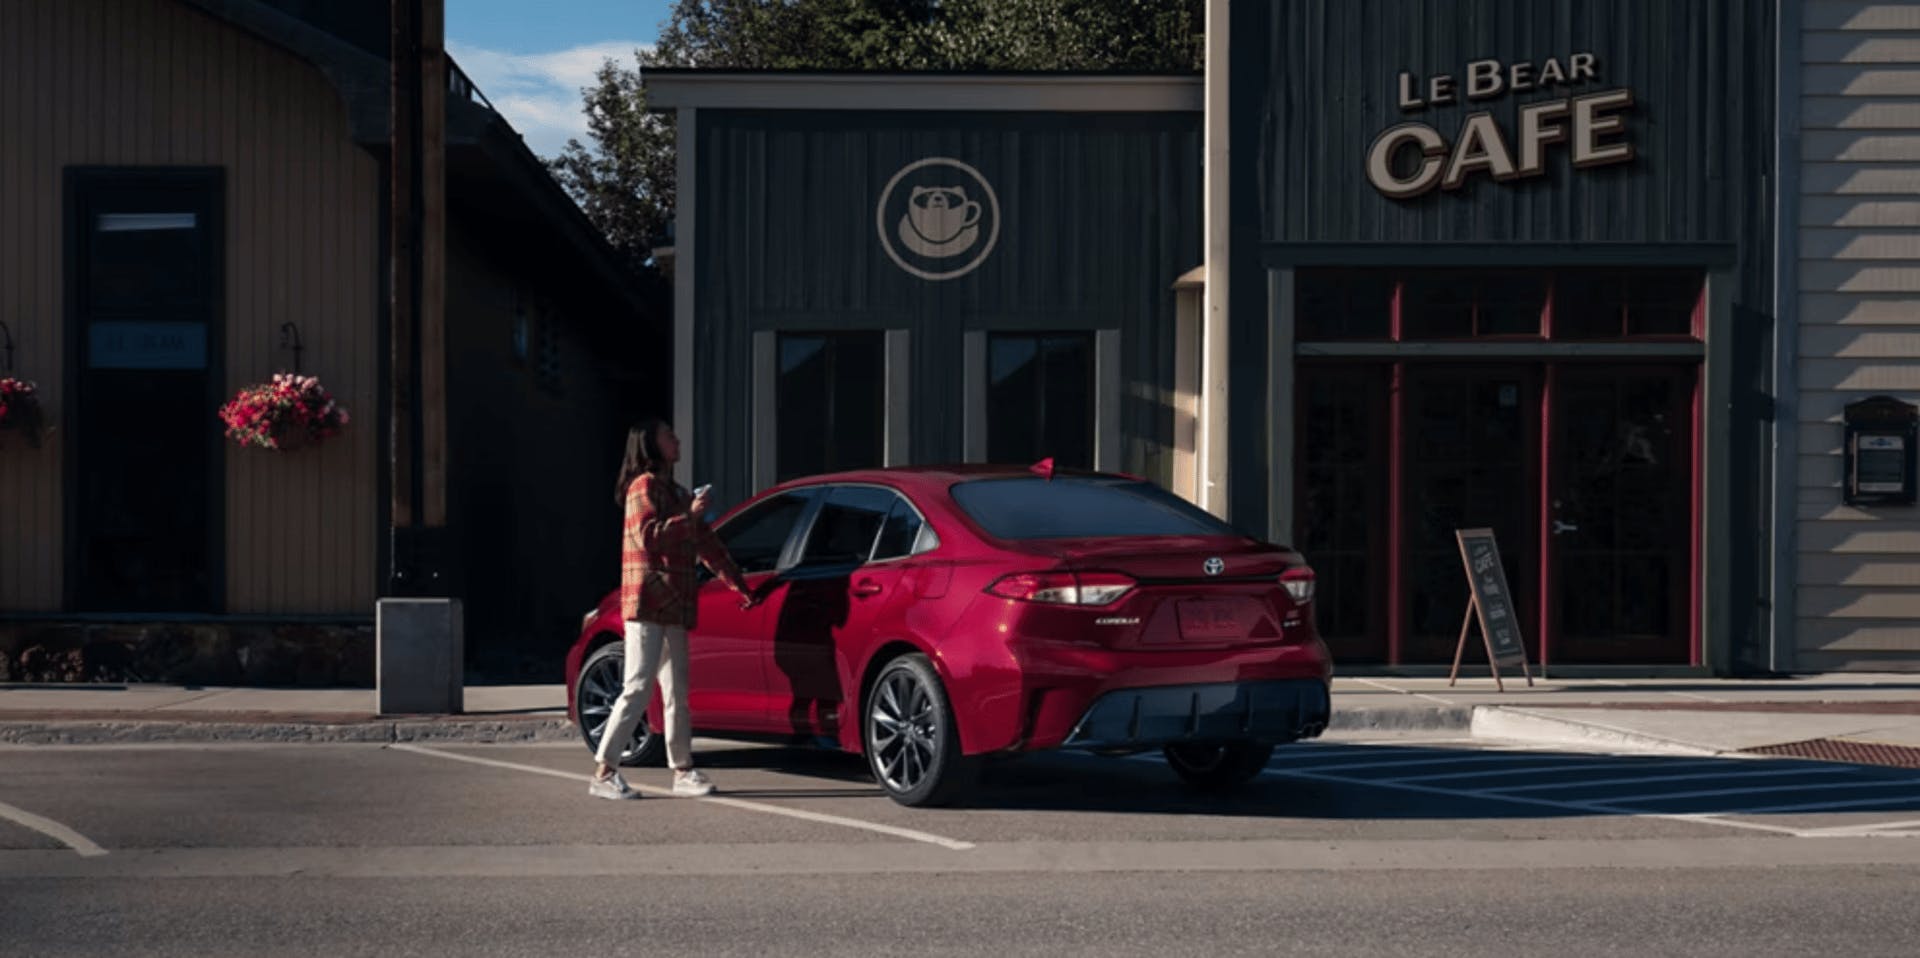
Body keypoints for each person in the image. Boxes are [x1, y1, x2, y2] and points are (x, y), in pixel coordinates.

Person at [590, 419, 757, 800]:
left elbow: (708, 546)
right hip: (648, 602)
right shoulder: (643, 486)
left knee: (677, 691)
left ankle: (683, 770)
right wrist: (692, 516)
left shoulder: (678, 492)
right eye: (669, 436)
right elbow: (648, 536)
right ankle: (603, 772)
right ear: (651, 445)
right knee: (637, 686)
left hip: (676, 605)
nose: (677, 440)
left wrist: (739, 585)